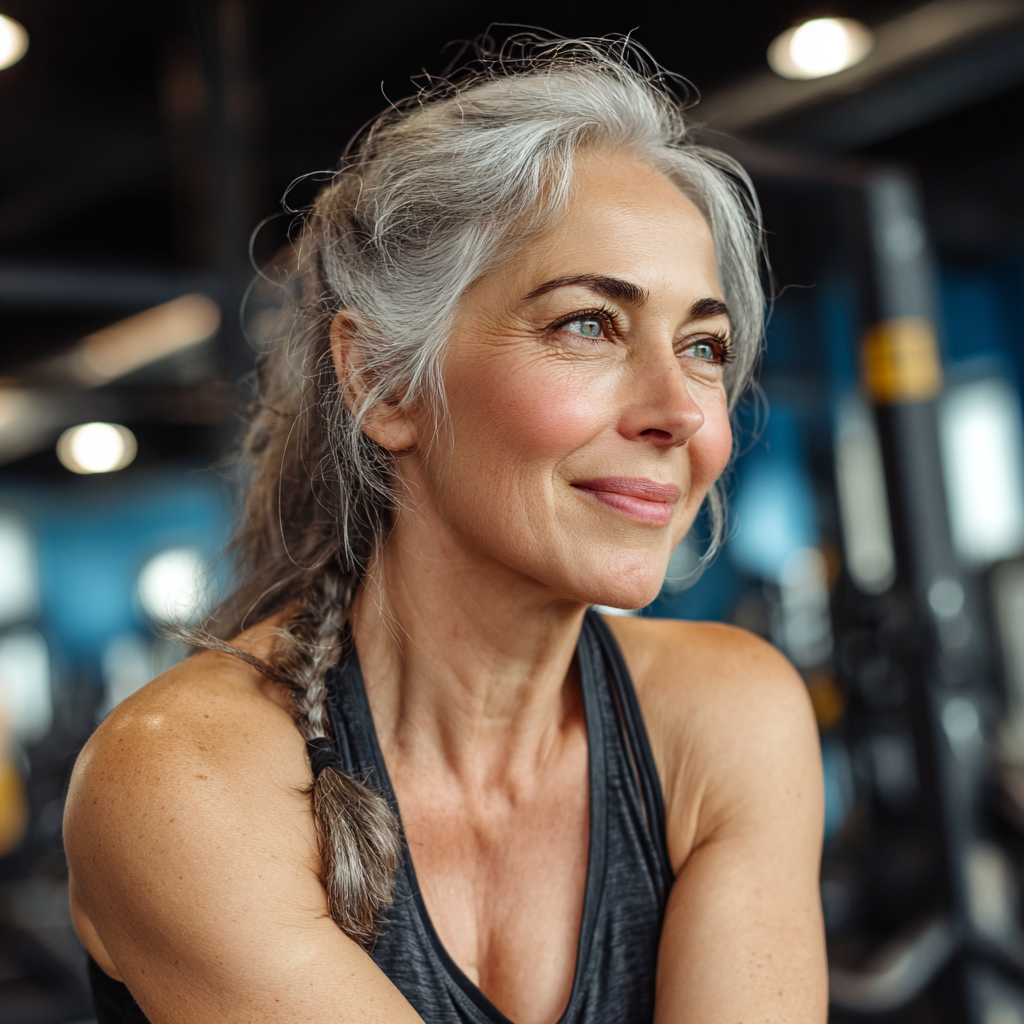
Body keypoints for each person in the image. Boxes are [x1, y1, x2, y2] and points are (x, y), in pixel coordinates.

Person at [64, 36, 827, 1024]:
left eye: (703, 345)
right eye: (587, 323)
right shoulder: (185, 776)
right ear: (381, 380)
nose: (678, 410)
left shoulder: (724, 718)